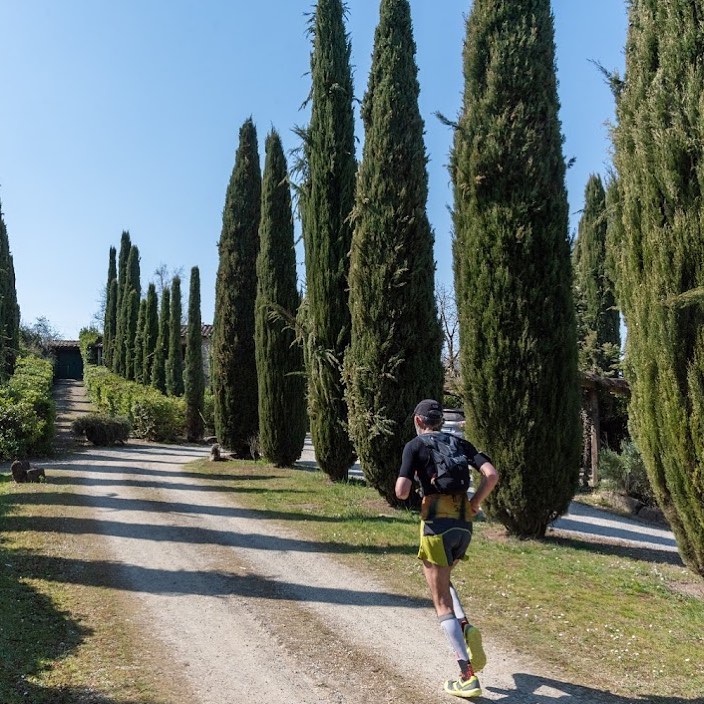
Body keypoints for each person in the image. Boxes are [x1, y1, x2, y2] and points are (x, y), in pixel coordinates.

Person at [395, 399, 498, 699]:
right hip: (463, 525)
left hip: (435, 526)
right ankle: (465, 628)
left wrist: (412, 479)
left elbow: (401, 492)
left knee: (440, 601)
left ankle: (467, 676)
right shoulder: (460, 443)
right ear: (439, 421)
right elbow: (491, 475)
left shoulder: (414, 446)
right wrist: (475, 503)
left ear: (418, 421)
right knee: (445, 581)